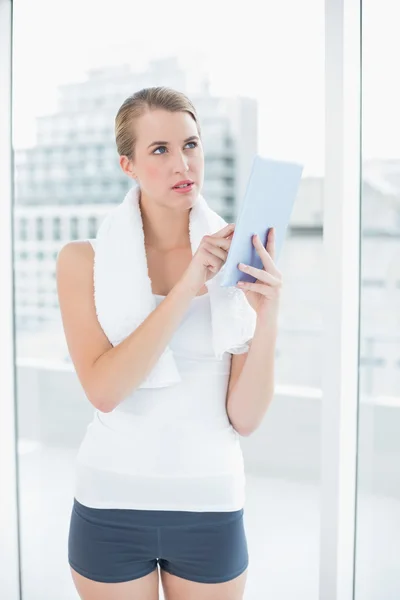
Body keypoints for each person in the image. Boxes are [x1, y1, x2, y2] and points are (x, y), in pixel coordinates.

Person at [56, 86, 282, 600]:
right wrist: (186, 286)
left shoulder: (238, 255)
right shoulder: (81, 262)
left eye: (191, 144)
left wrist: (268, 316)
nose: (183, 162)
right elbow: (104, 389)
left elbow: (244, 418)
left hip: (211, 506)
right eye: (159, 150)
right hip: (109, 505)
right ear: (127, 164)